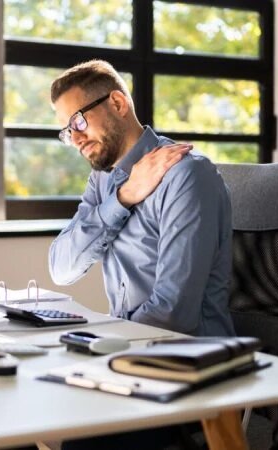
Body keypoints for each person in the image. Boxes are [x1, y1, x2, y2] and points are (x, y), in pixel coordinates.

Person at [47, 59, 236, 450]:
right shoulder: (103, 182)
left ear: (117, 103)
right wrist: (123, 197)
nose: (75, 138)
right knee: (26, 404)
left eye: (79, 121)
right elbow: (60, 267)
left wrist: (105, 348)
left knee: (74, 435)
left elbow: (173, 314)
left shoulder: (186, 176)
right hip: (132, 359)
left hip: (186, 370)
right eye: (67, 131)